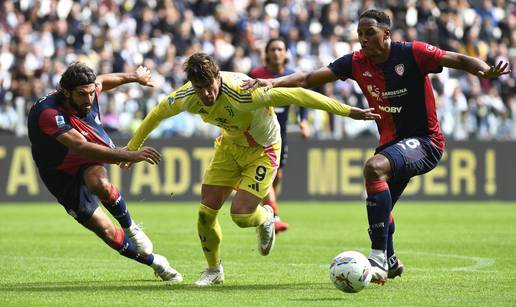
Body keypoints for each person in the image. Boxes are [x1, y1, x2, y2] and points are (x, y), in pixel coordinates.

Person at [242, 9, 511, 285]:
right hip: (392, 144)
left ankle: (378, 259)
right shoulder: (355, 62)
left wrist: (484, 70)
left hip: (426, 141)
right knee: (380, 210)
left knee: (374, 169)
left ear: (387, 33)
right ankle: (391, 260)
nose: (363, 39)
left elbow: (458, 59)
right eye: (359, 34)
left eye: (369, 33)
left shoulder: (412, 52)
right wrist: (273, 82)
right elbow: (308, 79)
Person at [125, 52, 380, 287]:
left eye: (209, 86)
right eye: (199, 88)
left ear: (218, 77)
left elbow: (299, 95)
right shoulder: (187, 97)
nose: (205, 94)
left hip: (263, 149)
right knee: (206, 212)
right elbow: (156, 114)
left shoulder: (244, 92)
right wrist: (132, 148)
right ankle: (214, 270)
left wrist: (347, 111)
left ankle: (266, 217)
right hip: (229, 147)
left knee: (240, 215)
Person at [27, 62, 183, 282]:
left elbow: (103, 81)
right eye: (82, 94)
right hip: (59, 173)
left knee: (98, 183)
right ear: (66, 92)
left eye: (91, 93)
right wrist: (130, 155)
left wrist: (134, 77)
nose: (89, 99)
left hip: (86, 157)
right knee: (106, 231)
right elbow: (80, 146)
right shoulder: (48, 113)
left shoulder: (88, 91)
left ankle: (131, 228)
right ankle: (156, 262)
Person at [249, 38, 309, 234]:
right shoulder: (256, 75)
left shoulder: (291, 75)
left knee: (277, 175)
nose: (276, 53)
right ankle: (273, 216)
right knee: (268, 172)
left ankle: (262, 206)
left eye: (280, 49)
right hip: (259, 132)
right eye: (272, 49)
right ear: (266, 53)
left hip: (280, 133)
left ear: (286, 53)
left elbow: (302, 98)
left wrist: (303, 120)